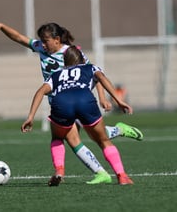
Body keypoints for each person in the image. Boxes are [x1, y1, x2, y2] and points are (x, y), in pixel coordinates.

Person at [0, 22, 142, 184]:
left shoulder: (72, 53)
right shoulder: (40, 47)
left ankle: (112, 147)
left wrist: (102, 97)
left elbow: (94, 73)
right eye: (42, 41)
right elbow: (19, 38)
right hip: (60, 103)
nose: (43, 44)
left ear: (57, 39)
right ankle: (102, 170)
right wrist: (2, 27)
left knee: (94, 136)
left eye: (46, 41)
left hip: (76, 98)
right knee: (77, 138)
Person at [21, 45, 134, 185]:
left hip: (62, 103)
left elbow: (40, 92)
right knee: (102, 140)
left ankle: (60, 170)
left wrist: (31, 117)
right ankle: (121, 176)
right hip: (84, 100)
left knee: (58, 137)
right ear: (81, 59)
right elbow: (102, 78)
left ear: (64, 61)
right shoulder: (90, 68)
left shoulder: (56, 75)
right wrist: (119, 100)